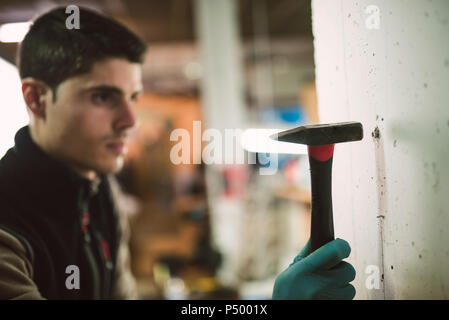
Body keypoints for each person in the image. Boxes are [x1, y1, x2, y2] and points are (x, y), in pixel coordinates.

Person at [0, 6, 355, 300]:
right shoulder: (8, 224)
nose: (129, 121)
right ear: (36, 99)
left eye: (133, 97)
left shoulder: (98, 189)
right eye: (102, 97)